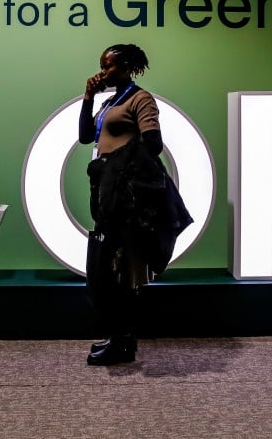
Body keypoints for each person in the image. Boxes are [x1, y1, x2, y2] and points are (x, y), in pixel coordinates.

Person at [78, 43, 191, 366]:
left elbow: (153, 144)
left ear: (128, 66)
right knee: (107, 267)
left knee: (121, 269)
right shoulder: (110, 101)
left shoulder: (140, 99)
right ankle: (118, 335)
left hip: (125, 195)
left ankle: (124, 341)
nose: (103, 71)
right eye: (101, 65)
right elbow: (86, 136)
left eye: (109, 66)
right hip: (104, 187)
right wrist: (88, 98)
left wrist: (119, 163)